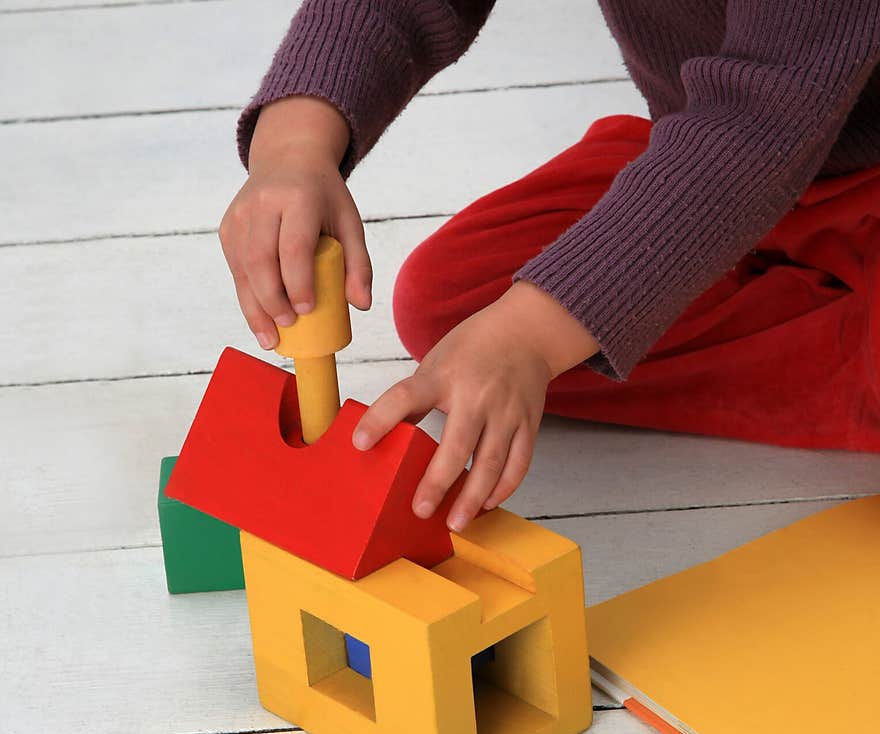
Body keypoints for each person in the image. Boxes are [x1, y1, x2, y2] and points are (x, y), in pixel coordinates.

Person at [220, 1, 880, 533]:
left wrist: (532, 337)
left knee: (518, 333)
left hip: (790, 153)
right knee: (453, 305)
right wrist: (294, 148)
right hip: (705, 160)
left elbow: (762, 122)